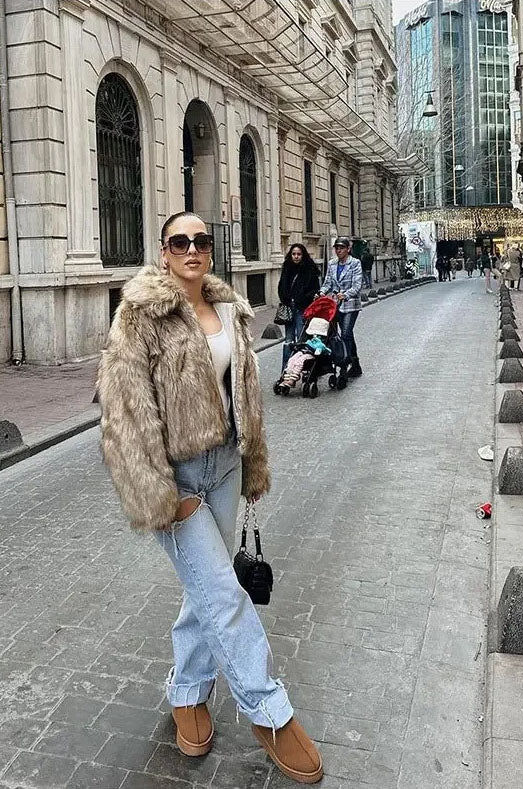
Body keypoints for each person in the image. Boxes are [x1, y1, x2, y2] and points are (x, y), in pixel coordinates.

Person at [97, 211, 323, 785]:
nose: (192, 249)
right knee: (225, 596)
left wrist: (251, 462)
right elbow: (125, 409)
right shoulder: (141, 315)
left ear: (210, 251)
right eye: (180, 241)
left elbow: (244, 394)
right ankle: (269, 711)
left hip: (224, 468)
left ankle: (188, 691)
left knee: (204, 591)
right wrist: (159, 492)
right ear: (164, 251)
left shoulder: (229, 310)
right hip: (175, 479)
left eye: (201, 240)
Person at [320, 236, 362, 377]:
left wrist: (345, 294)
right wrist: (321, 292)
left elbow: (357, 285)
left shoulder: (355, 263)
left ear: (348, 249)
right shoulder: (332, 264)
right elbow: (327, 283)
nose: (339, 250)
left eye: (342, 248)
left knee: (345, 334)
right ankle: (355, 364)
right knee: (342, 334)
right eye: (337, 248)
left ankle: (344, 365)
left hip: (350, 305)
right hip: (335, 305)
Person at [278, 244, 320, 369]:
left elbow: (315, 289)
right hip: (289, 308)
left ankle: (301, 368)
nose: (296, 256)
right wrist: (285, 298)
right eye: (294, 254)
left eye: (299, 254)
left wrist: (303, 299)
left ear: (303, 255)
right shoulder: (287, 267)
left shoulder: (310, 269)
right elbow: (281, 286)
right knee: (288, 340)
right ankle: (286, 370)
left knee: (302, 339)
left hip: (302, 309)